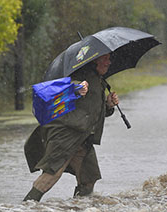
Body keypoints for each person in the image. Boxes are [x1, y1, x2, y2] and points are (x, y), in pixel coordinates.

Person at [23, 53, 119, 202]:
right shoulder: (79, 74)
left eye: (109, 58)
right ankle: (25, 209)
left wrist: (108, 105)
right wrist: (75, 89)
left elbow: (91, 111)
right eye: (105, 59)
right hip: (66, 134)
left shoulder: (98, 80)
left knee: (89, 177)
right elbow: (59, 92)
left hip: (82, 138)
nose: (109, 62)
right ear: (94, 60)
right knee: (51, 175)